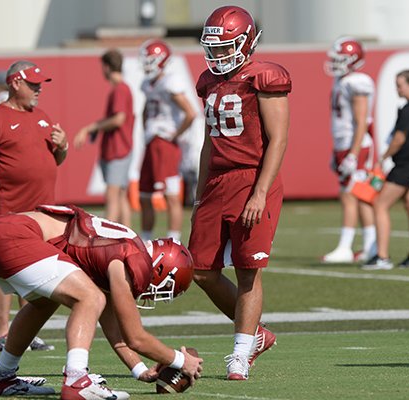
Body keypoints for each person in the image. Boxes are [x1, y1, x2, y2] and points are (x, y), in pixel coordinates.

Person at [0, 204, 202, 398]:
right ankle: (76, 380)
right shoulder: (132, 258)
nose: (154, 295)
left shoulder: (123, 252)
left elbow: (114, 327)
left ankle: (1, 377)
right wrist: (181, 360)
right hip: (12, 236)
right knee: (90, 297)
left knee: (45, 302)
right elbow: (136, 337)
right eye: (166, 289)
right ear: (161, 268)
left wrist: (140, 370)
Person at [188, 6, 291, 381]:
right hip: (217, 181)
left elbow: (278, 139)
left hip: (251, 178)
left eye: (226, 46)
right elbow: (207, 144)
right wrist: (199, 196)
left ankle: (240, 352)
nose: (217, 55)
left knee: (249, 270)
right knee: (200, 270)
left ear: (246, 42)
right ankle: (256, 335)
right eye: (213, 48)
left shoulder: (264, 77)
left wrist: (260, 192)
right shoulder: (209, 81)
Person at [0, 61, 65, 352]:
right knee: (4, 274)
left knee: (36, 271)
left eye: (40, 84)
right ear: (15, 84)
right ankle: (2, 334)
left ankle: (26, 334)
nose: (38, 89)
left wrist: (62, 146)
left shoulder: (42, 116)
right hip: (9, 207)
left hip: (41, 211)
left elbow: (54, 161)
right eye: (32, 84)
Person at [363, 69, 409, 271]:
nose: (397, 88)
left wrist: (383, 158)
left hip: (406, 164)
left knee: (380, 205)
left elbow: (399, 138)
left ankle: (382, 256)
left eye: (400, 84)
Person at [322, 37, 377, 264]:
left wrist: (353, 154)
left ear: (353, 60)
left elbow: (361, 121)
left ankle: (346, 247)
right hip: (345, 145)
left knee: (350, 195)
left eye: (341, 59)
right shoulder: (342, 80)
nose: (335, 63)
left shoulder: (357, 82)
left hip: (356, 145)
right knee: (360, 196)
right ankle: (370, 247)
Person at [137, 39, 196, 242]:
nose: (146, 63)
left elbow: (190, 113)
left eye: (150, 59)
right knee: (144, 195)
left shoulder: (171, 81)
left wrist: (174, 134)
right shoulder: (147, 83)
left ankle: (174, 240)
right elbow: (146, 109)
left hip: (166, 143)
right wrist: (146, 128)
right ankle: (145, 239)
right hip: (152, 141)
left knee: (170, 195)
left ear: (162, 60)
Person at [74, 49, 134, 227]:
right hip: (120, 149)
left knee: (113, 196)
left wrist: (89, 128)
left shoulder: (120, 90)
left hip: (118, 150)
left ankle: (108, 238)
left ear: (107, 67)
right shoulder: (122, 89)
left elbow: (118, 119)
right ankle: (128, 238)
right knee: (121, 196)